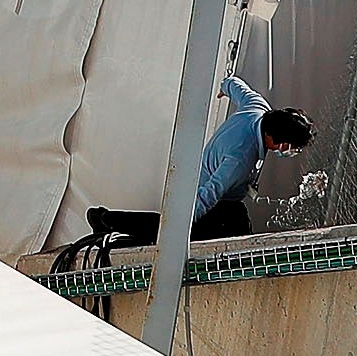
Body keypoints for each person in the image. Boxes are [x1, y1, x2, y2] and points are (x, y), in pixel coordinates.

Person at [66, 76, 313, 257]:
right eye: (290, 147)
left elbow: (234, 84)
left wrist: (224, 88)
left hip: (218, 190)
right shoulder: (241, 157)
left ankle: (111, 222)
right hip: (209, 194)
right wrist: (181, 226)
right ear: (277, 140)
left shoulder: (258, 108)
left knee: (235, 228)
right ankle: (107, 220)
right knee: (180, 231)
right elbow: (210, 193)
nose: (288, 152)